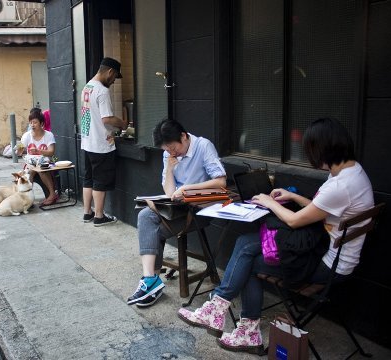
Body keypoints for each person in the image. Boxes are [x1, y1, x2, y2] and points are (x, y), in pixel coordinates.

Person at [177, 117, 374, 355]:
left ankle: (228, 318)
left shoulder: (340, 185)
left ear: (323, 149)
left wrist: (270, 202)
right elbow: (322, 208)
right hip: (329, 253)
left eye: (310, 150)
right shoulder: (352, 172)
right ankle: (222, 314)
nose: (309, 156)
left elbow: (292, 220)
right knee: (247, 246)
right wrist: (292, 198)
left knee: (247, 257)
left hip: (326, 266)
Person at [127, 119, 227, 307]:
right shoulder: (169, 155)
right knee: (145, 215)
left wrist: (189, 188)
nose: (171, 153)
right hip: (176, 207)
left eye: (173, 148)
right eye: (167, 150)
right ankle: (151, 279)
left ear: (183, 136)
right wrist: (171, 169)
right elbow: (169, 192)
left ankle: (151, 282)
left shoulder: (203, 146)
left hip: (199, 209)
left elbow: (221, 182)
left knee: (150, 229)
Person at [80, 57, 128, 226]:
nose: (114, 81)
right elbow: (106, 119)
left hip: (87, 140)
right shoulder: (102, 90)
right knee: (100, 181)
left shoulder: (87, 86)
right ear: (109, 72)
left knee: (89, 178)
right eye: (115, 76)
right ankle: (99, 216)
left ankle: (87, 213)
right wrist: (122, 123)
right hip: (100, 143)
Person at [16, 110, 58, 206]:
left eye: (35, 122)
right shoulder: (26, 136)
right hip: (31, 163)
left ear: (42, 123)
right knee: (28, 173)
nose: (32, 125)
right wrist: (19, 149)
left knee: (41, 170)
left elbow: (51, 152)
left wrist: (38, 151)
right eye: (30, 122)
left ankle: (52, 194)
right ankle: (28, 200)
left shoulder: (48, 135)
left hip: (44, 162)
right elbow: (19, 152)